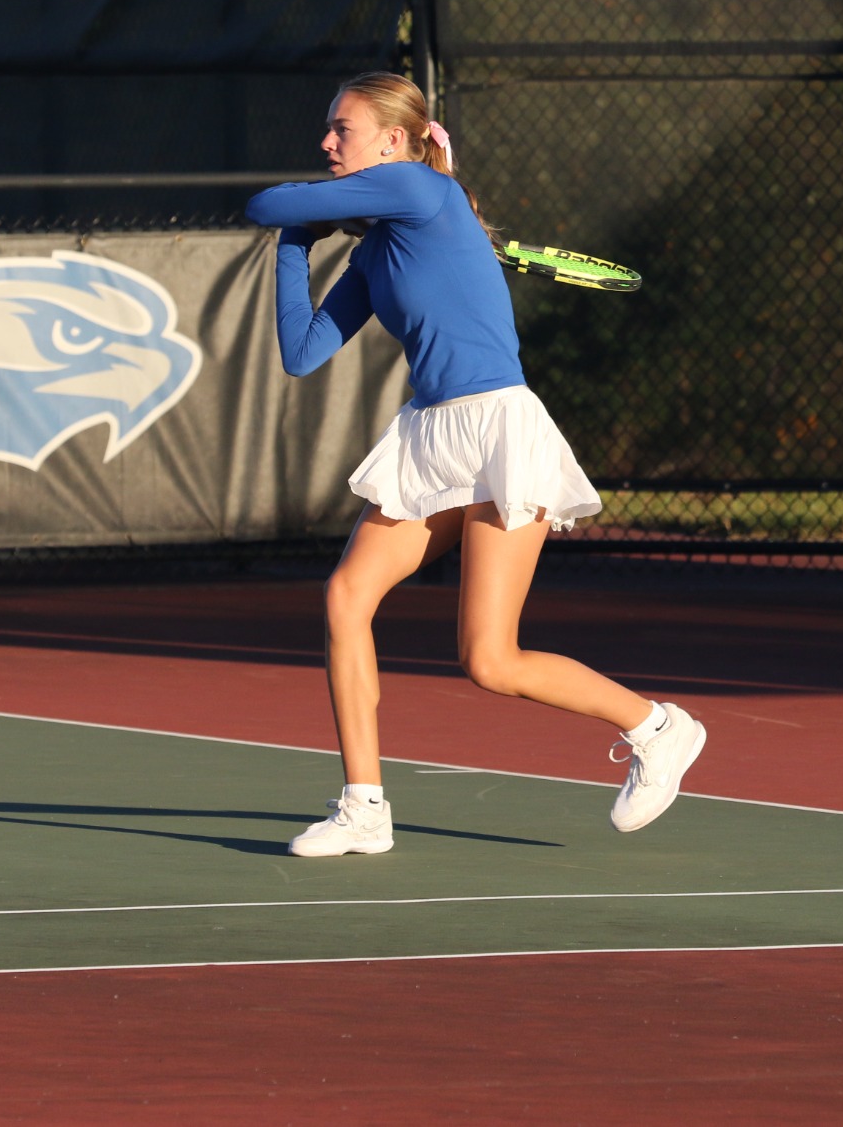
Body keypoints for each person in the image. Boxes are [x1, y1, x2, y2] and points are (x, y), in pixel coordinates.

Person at [245, 71, 707, 858]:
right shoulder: (381, 251)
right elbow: (302, 351)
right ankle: (365, 807)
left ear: (393, 143)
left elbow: (266, 203)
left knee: (489, 659)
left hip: (497, 428)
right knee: (347, 597)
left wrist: (294, 221)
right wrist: (297, 245)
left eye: (341, 129)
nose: (326, 142)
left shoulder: (424, 192)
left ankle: (659, 727)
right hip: (429, 435)